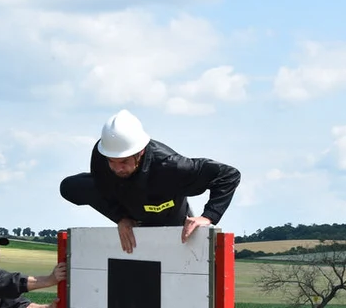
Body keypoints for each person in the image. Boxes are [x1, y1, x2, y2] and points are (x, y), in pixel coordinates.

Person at [60, 109, 240, 254]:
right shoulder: (102, 157)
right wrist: (120, 218)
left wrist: (208, 216)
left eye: (123, 161)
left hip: (169, 216)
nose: (116, 168)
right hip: (131, 209)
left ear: (140, 152)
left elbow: (229, 175)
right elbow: (102, 189)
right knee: (70, 187)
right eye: (111, 161)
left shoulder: (172, 165)